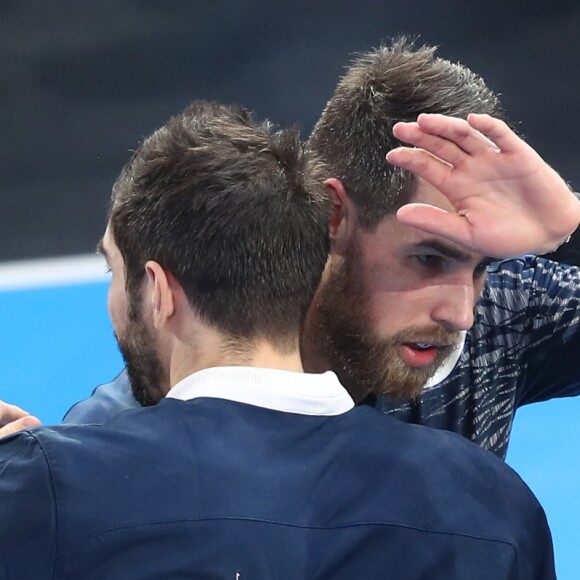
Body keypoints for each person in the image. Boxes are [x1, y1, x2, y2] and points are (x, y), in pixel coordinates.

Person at [0, 100, 556, 579]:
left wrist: (29, 481)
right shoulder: (496, 503)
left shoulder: (51, 486)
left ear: (159, 291)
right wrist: (568, 228)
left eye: (114, 272)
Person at [58, 38, 580, 461]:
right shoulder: (152, 416)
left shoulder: (501, 319)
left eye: (482, 267)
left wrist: (569, 226)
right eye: (429, 258)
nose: (461, 312)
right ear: (335, 216)